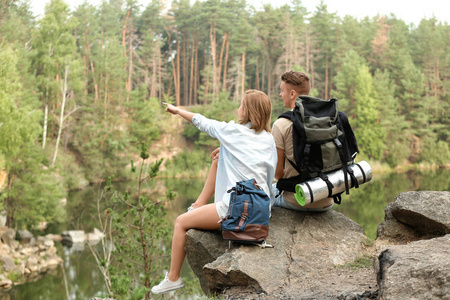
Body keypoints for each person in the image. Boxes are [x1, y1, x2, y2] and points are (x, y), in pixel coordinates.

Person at [151, 90, 277, 294]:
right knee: (220, 156)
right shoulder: (268, 139)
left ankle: (173, 277)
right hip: (261, 210)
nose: (238, 108)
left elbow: (202, 122)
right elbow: (269, 174)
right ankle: (199, 205)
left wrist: (177, 110)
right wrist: (225, 152)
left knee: (181, 222)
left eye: (241, 104)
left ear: (247, 110)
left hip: (238, 211)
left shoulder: (233, 132)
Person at [272, 70, 334, 212]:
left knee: (259, 192)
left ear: (292, 94)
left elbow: (278, 174)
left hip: (296, 200)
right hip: (327, 199)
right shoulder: (325, 119)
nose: (280, 95)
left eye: (282, 91)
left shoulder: (281, 124)